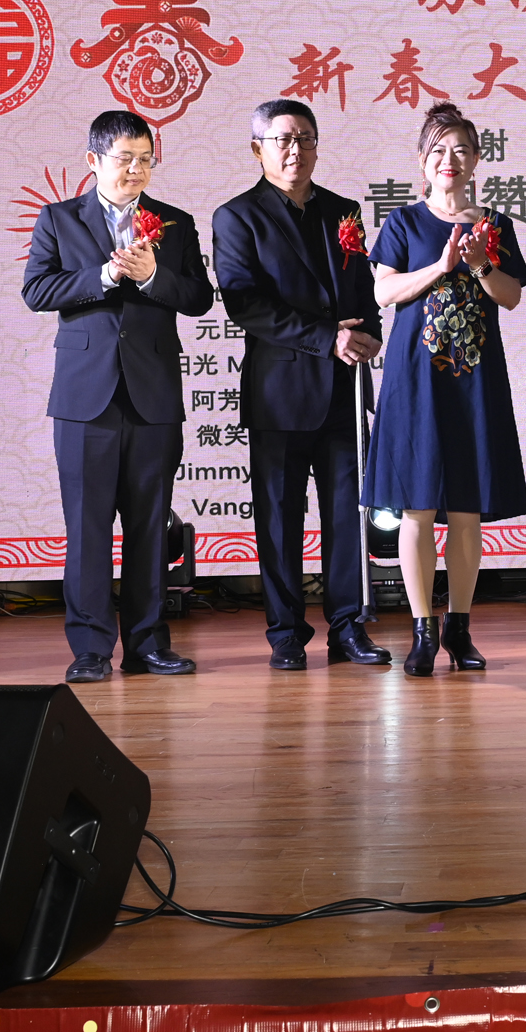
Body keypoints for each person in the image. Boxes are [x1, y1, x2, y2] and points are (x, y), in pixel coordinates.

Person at [22, 110, 215, 683]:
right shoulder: (59, 219)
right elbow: (37, 290)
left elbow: (199, 298)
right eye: (125, 159)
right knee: (87, 528)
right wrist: (104, 277)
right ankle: (89, 648)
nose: (136, 169)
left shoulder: (175, 223)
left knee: (151, 525)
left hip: (153, 394)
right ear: (93, 160)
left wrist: (154, 275)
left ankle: (148, 644)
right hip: (85, 398)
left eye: (145, 159)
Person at [214, 99, 391, 671]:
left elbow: (361, 288)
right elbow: (246, 303)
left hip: (344, 389)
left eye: (306, 139)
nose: (296, 150)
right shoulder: (237, 217)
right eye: (284, 140)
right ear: (258, 149)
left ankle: (348, 628)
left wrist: (370, 334)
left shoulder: (343, 210)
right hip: (280, 394)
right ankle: (286, 633)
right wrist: (325, 337)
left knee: (347, 516)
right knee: (280, 519)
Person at [364, 103, 526, 676]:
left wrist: (481, 264)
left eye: (460, 149)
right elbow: (384, 293)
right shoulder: (404, 223)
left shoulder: (495, 225)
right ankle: (422, 631)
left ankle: (460, 627)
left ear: (478, 157)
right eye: (437, 150)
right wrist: (440, 266)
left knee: (466, 510)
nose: (449, 160)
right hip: (416, 383)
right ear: (421, 160)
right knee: (416, 506)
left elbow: (510, 296)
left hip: (474, 381)